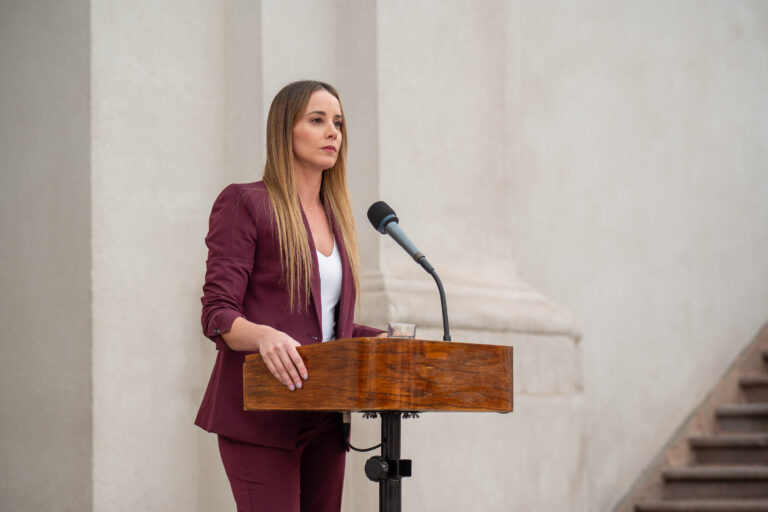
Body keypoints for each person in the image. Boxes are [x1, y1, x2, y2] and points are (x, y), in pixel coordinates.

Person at [196, 80, 384, 512]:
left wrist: (380, 340)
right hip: (262, 415)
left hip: (325, 414)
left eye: (337, 122)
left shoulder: (338, 218)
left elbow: (324, 326)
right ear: (285, 130)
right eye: (317, 120)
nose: (332, 132)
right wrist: (264, 336)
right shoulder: (245, 202)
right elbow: (217, 312)